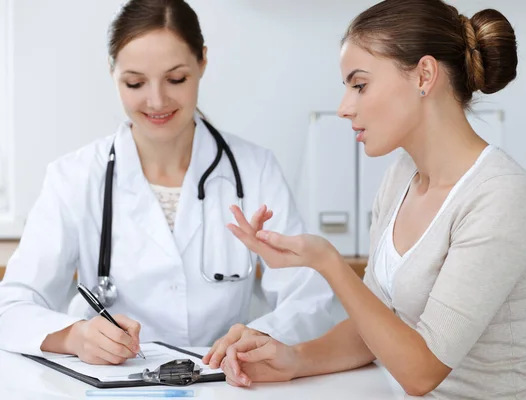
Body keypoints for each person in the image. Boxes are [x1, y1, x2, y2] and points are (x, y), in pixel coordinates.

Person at [215, 0, 526, 398]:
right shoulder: (401, 177)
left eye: (359, 85)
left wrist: (328, 263)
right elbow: (376, 328)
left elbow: (421, 371)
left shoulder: (501, 197)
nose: (344, 108)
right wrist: (293, 359)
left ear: (424, 75)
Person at [0, 0, 335, 366]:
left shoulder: (255, 170)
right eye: (135, 82)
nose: (156, 100)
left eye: (176, 79)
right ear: (111, 71)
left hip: (224, 381)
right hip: (113, 387)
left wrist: (264, 335)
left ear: (202, 62)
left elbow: (308, 298)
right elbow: (12, 306)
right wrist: (74, 336)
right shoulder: (74, 177)